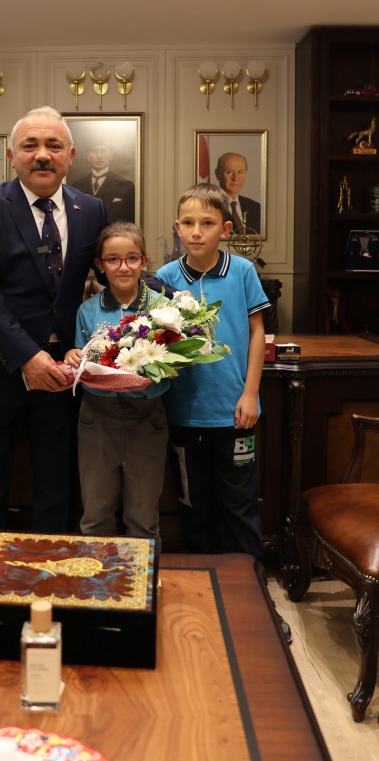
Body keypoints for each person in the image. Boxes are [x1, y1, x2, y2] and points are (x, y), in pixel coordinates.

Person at [0, 105, 107, 544]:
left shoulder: (90, 209)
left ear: (70, 156)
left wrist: (168, 299)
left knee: (56, 484)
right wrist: (28, 356)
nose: (42, 154)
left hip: (63, 371)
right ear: (11, 155)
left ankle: (52, 567)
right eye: (30, 145)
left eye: (53, 145)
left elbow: (110, 271)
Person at [155, 183, 269, 561]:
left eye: (207, 223)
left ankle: (248, 582)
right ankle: (203, 580)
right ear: (177, 227)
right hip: (184, 415)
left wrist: (250, 393)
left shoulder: (243, 271)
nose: (196, 232)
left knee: (239, 504)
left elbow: (257, 332)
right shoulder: (165, 276)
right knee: (194, 505)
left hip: (235, 413)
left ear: (225, 229)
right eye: (188, 223)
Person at [64, 222, 169, 557]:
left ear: (144, 261)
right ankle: (99, 582)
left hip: (147, 418)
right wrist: (73, 355)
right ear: (100, 265)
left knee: (143, 518)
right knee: (96, 515)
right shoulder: (88, 310)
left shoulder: (164, 309)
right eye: (113, 259)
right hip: (98, 418)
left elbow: (175, 361)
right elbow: (80, 359)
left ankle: (142, 583)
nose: (123, 267)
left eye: (132, 258)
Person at [71, 143, 135, 223]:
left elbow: (130, 222)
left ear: (111, 156)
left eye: (103, 151)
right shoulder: (77, 186)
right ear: (88, 157)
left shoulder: (126, 186)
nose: (99, 156)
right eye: (94, 151)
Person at [215, 152, 261, 234]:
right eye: (229, 172)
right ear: (217, 174)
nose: (235, 178)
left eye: (239, 172)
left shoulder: (256, 208)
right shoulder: (208, 205)